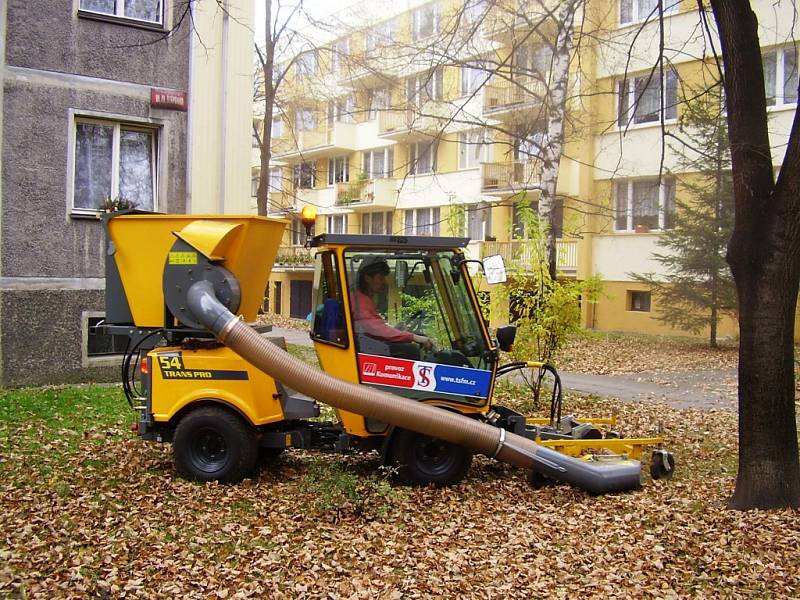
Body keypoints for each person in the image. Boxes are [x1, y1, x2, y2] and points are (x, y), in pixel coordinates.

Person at [351, 256, 432, 357]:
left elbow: (373, 328)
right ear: (367, 278)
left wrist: (396, 330)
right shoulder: (359, 301)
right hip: (365, 352)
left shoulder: (363, 299)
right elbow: (375, 329)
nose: (384, 282)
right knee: (411, 350)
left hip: (367, 347)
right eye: (380, 278)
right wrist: (413, 337)